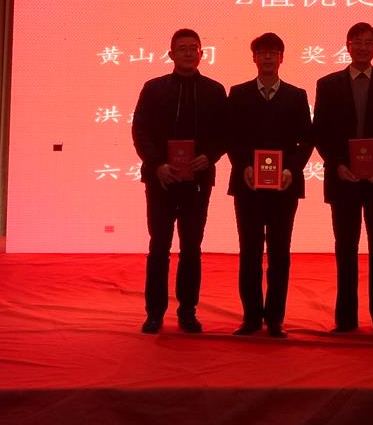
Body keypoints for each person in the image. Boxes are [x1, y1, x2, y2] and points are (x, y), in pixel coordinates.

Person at [131, 29, 228, 334]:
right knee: (159, 245)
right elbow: (140, 131)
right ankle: (154, 312)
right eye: (182, 48)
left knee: (191, 247)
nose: (188, 52)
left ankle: (188, 311)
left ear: (202, 54)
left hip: (197, 181)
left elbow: (225, 133)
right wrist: (157, 165)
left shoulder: (214, 90)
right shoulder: (154, 88)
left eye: (193, 48)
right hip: (161, 180)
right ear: (171, 54)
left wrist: (209, 156)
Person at [312, 22, 373, 334]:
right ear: (347, 45)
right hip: (344, 180)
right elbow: (320, 131)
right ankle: (346, 319)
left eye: (369, 42)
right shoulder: (327, 84)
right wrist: (337, 164)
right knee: (346, 248)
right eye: (357, 41)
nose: (363, 47)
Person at [226, 33, 313, 339]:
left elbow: (307, 140)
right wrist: (244, 166)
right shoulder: (238, 93)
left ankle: (275, 318)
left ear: (281, 58)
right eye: (262, 52)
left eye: (273, 52)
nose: (267, 57)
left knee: (279, 252)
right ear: (254, 58)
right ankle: (251, 317)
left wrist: (291, 169)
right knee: (249, 251)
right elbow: (231, 137)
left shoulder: (296, 95)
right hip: (248, 185)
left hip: (284, 186)